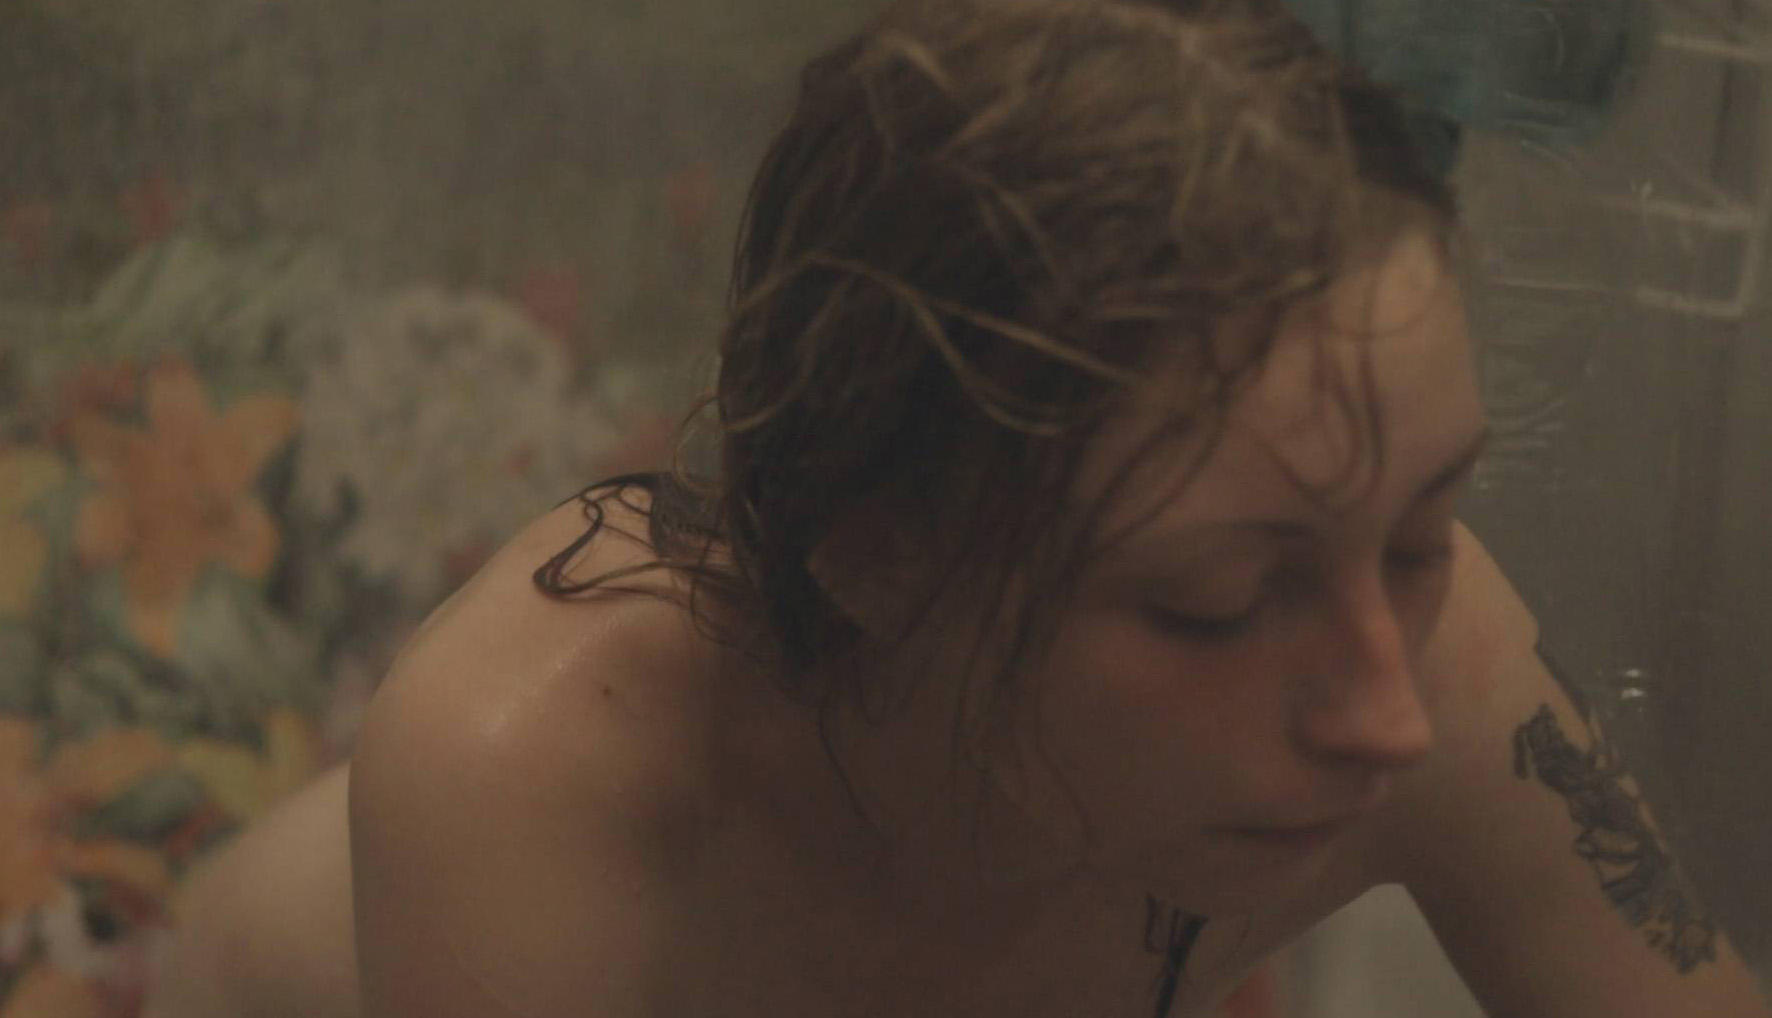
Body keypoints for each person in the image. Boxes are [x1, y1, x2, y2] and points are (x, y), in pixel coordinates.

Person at [146, 0, 1772, 1016]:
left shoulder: (1422, 657)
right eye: (1213, 602)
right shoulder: (544, 770)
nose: (1390, 711)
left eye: (1419, 532)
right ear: (877, 553)